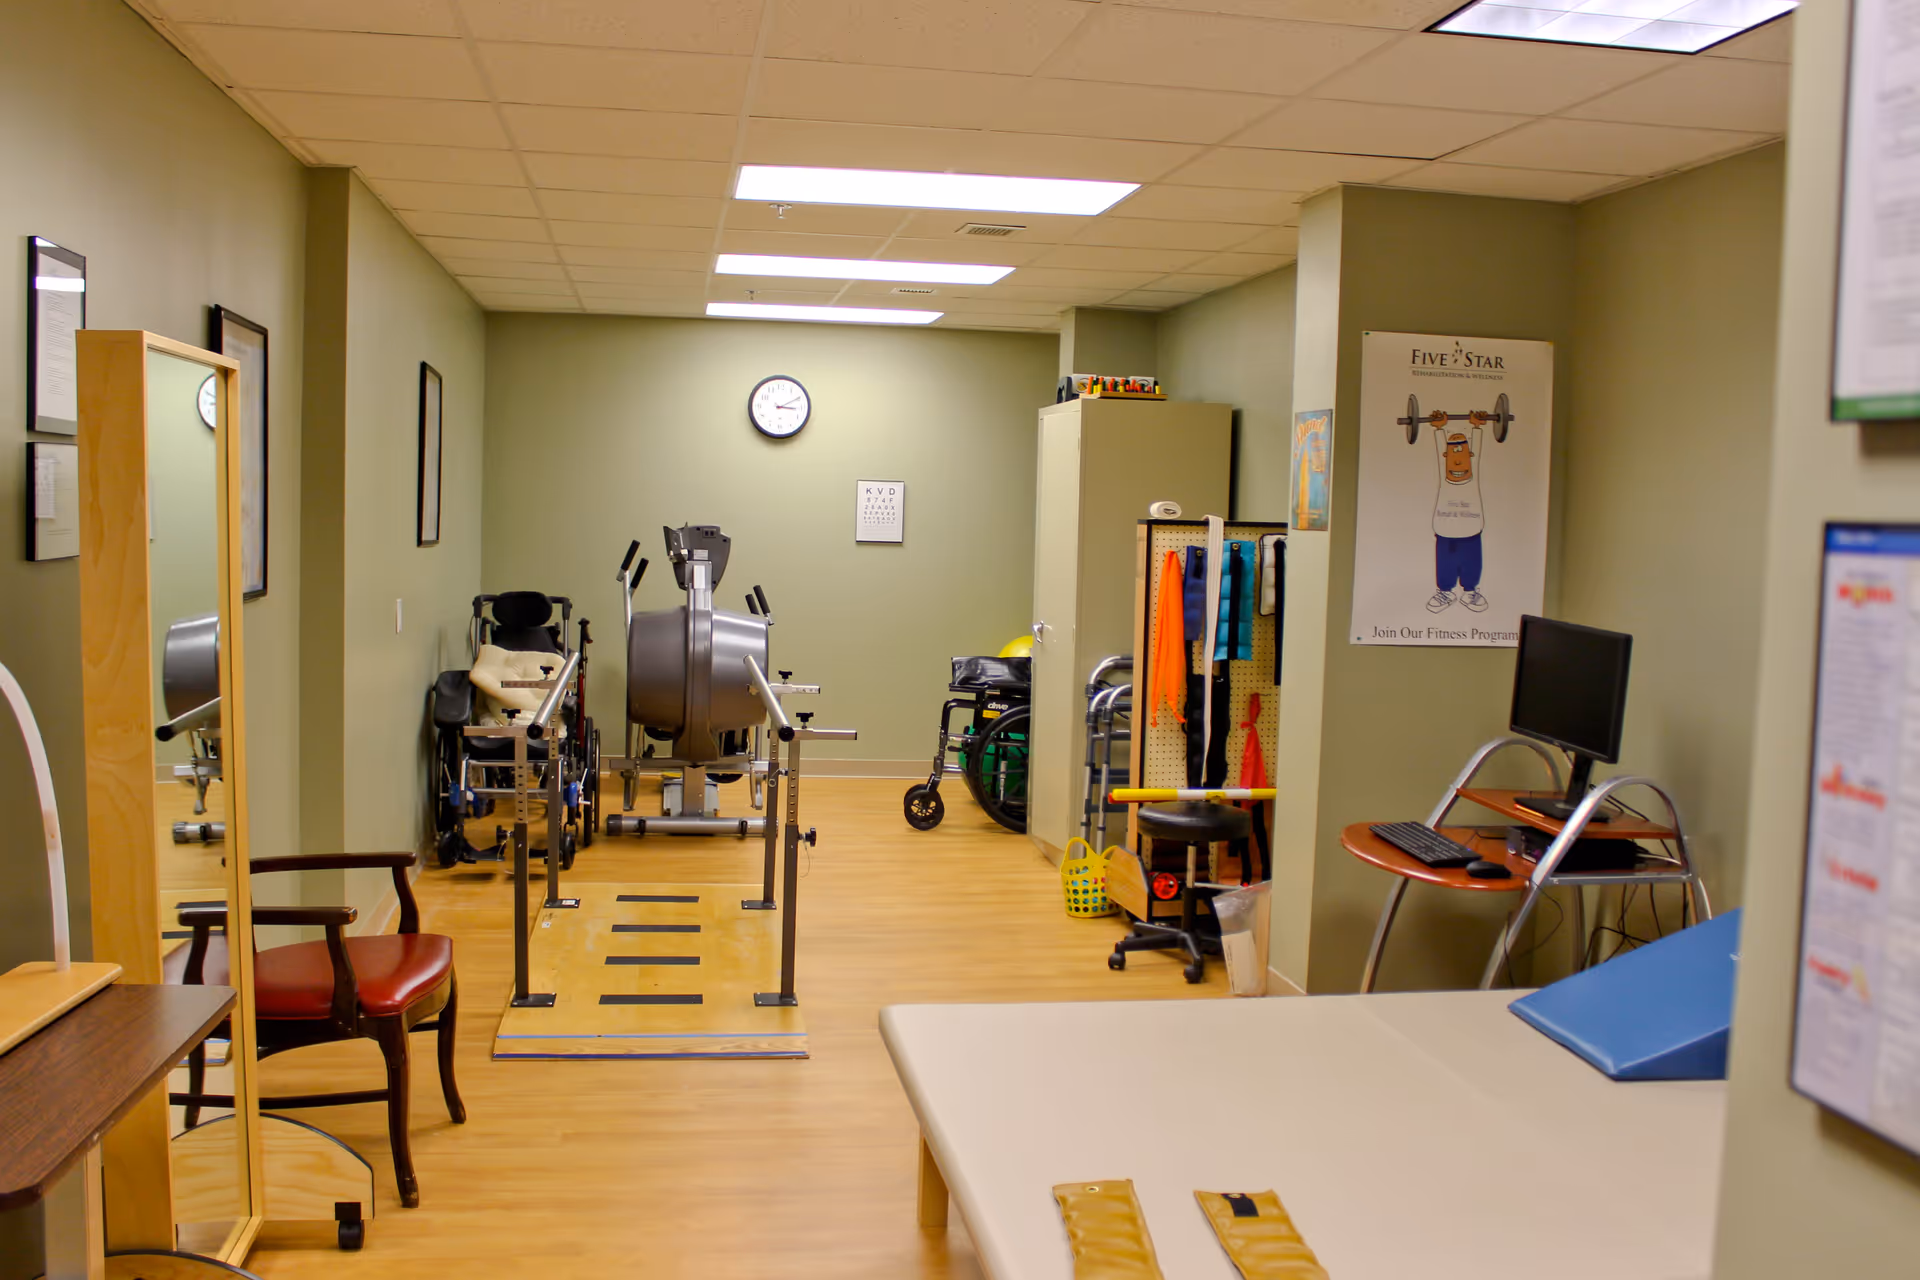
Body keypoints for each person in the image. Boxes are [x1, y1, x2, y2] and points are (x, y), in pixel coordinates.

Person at [1428, 420, 1487, 613]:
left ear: (1470, 455)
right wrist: (1438, 429)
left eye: (1462, 453)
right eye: (1453, 453)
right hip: (1445, 533)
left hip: (1471, 532)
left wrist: (1477, 427)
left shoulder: (1474, 475)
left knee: (1471, 563)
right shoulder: (1443, 476)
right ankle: (1445, 592)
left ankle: (1470, 591)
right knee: (1446, 564)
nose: (1458, 461)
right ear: (1446, 456)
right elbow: (1439, 453)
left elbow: (1476, 451)